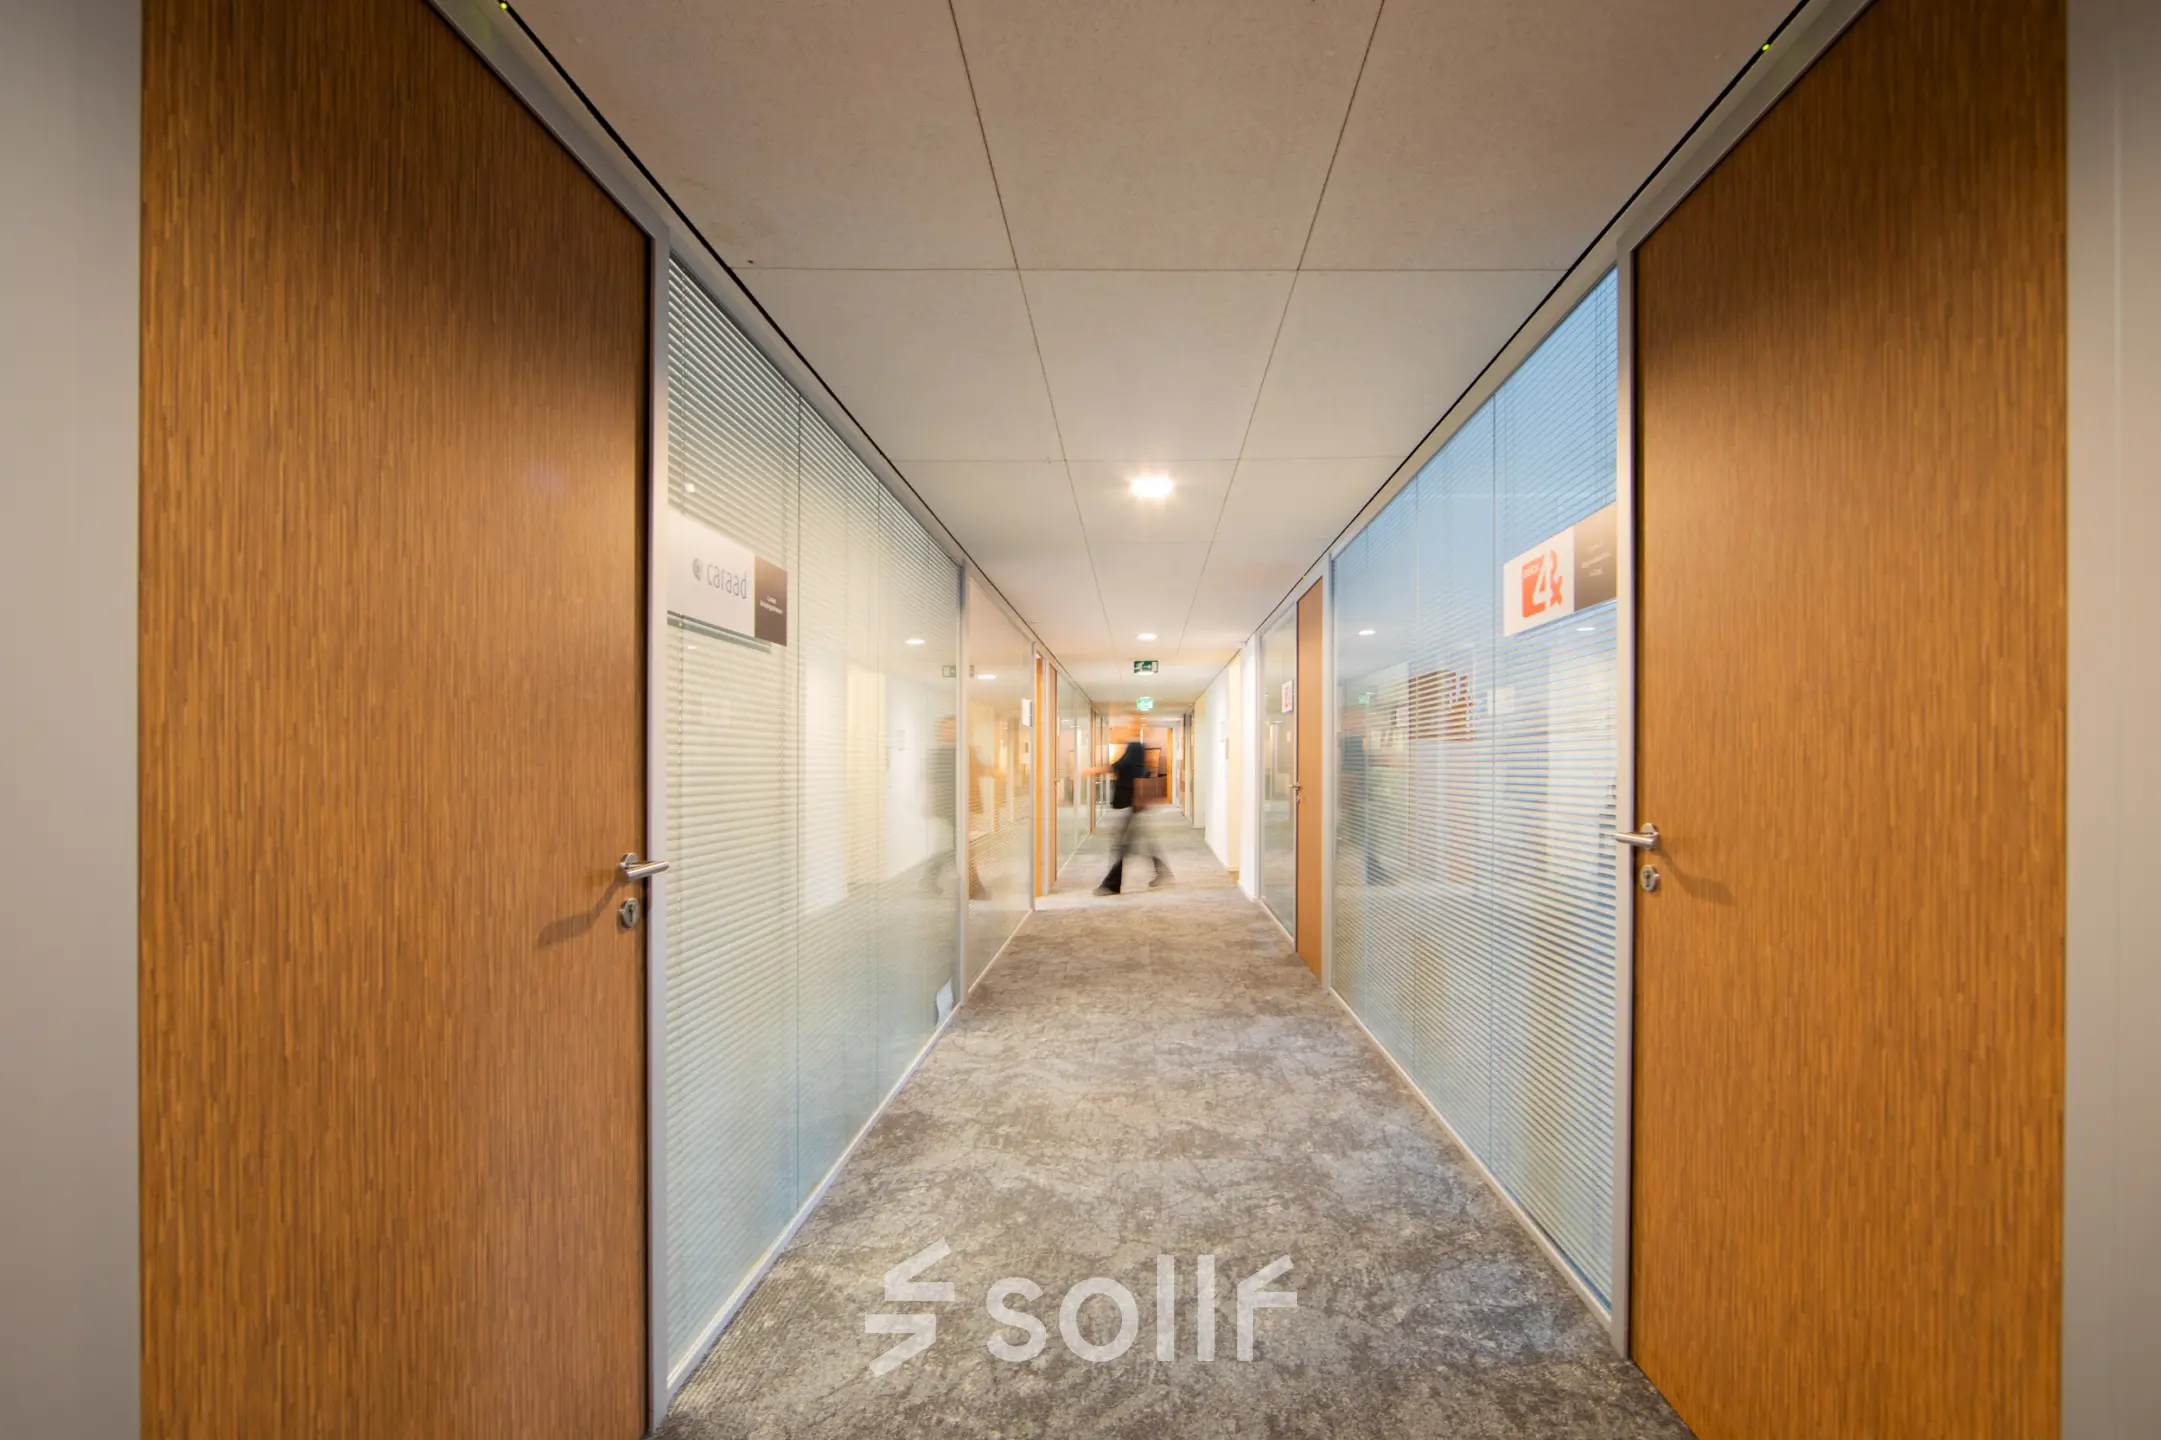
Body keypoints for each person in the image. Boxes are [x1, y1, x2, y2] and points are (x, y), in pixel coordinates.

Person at [1085, 729, 1169, 896]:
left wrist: (1092, 771)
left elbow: (1120, 768)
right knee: (1140, 842)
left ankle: (1111, 885)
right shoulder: (1132, 749)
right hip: (1133, 804)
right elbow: (1122, 769)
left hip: (1132, 804)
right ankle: (1162, 871)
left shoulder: (1134, 747)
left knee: (1122, 844)